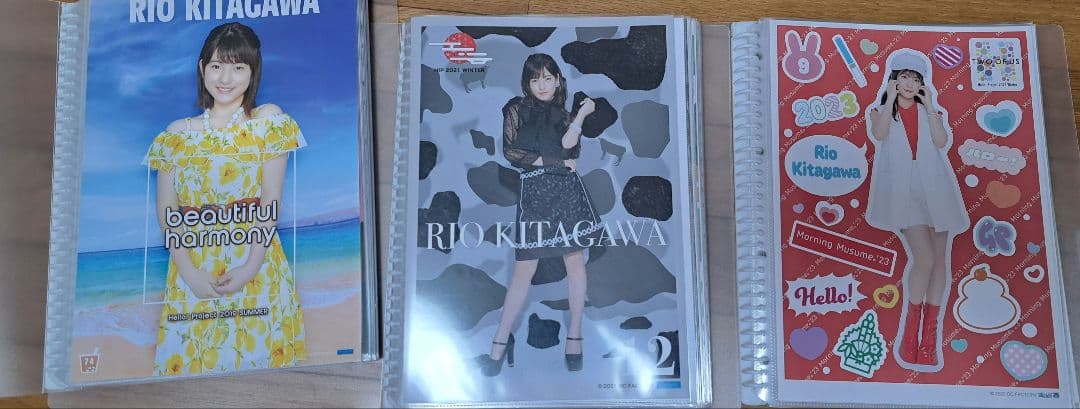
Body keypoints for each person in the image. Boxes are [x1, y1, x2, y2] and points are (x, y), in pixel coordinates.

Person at [145, 22, 307, 376]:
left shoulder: (267, 120)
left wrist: (249, 268)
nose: (225, 78)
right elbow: (167, 210)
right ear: (202, 68)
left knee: (263, 369)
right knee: (191, 370)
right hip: (193, 267)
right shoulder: (176, 134)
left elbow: (270, 201)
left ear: (253, 71)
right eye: (217, 66)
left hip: (255, 261)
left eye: (238, 67)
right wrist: (190, 274)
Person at [475, 53, 602, 376]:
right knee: (523, 271)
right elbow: (512, 153)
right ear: (527, 83)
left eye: (547, 78)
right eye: (535, 79)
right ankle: (500, 342)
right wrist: (556, 163)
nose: (542, 85)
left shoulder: (565, 114)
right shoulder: (515, 109)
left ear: (558, 80)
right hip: (534, 194)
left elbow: (570, 146)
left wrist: (581, 115)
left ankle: (575, 337)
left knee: (575, 262)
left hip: (566, 193)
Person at [865, 49, 969, 372]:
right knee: (924, 259)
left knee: (940, 260)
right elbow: (880, 133)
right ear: (894, 80)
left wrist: (931, 106)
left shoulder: (930, 111)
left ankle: (929, 342)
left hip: (935, 189)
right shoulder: (878, 111)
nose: (910, 84)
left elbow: (940, 141)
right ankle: (909, 335)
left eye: (916, 79)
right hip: (905, 193)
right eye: (904, 77)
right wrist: (889, 100)